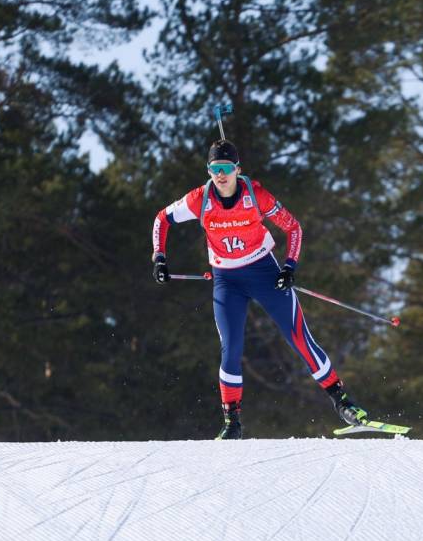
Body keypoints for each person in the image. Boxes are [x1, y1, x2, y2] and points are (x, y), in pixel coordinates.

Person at [151, 139, 368, 439]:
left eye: (227, 168)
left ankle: (343, 403)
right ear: (209, 171)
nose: (221, 175)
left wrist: (289, 266)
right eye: (215, 168)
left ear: (238, 170)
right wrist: (159, 258)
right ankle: (232, 424)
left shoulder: (256, 196)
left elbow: (293, 227)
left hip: (263, 272)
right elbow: (162, 219)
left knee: (299, 337)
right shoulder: (199, 200)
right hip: (226, 280)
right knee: (231, 349)